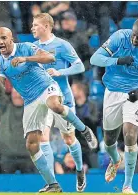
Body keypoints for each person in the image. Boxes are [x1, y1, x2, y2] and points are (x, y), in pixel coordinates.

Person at [0, 27, 96, 193]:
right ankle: (53, 184)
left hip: (46, 87)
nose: (1, 42)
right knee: (32, 145)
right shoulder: (1, 63)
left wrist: (26, 59)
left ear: (11, 39)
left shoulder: (25, 47)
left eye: (4, 38)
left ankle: (84, 130)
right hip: (31, 100)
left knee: (55, 107)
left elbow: (49, 57)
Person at [90, 18, 138, 193]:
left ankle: (127, 185)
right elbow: (95, 59)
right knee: (109, 141)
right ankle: (116, 160)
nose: (134, 39)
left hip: (135, 94)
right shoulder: (119, 37)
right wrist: (117, 60)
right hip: (113, 91)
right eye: (133, 35)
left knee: (130, 135)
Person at [31, 13, 96, 193]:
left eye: (36, 25)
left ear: (46, 26)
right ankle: (52, 182)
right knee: (42, 137)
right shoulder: (33, 47)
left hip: (62, 97)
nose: (32, 28)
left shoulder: (62, 45)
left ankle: (79, 169)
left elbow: (80, 66)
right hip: (42, 98)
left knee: (69, 139)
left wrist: (60, 72)